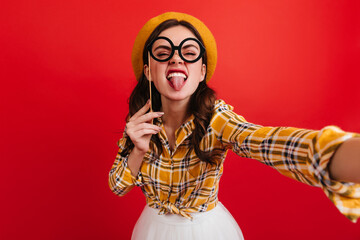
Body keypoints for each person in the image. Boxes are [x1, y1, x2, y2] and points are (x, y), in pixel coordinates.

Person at [108, 12, 360, 240]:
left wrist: (335, 153)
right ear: (149, 72)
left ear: (202, 71)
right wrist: (138, 150)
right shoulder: (141, 123)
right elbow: (118, 186)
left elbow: (263, 141)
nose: (176, 58)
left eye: (189, 52)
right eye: (163, 53)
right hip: (152, 231)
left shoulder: (217, 118)